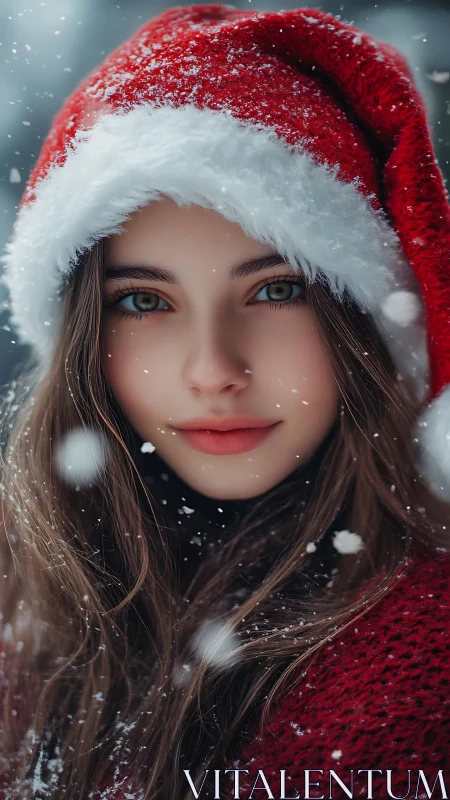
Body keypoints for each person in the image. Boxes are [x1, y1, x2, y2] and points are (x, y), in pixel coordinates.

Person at [0, 3, 449, 799]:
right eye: (143, 301)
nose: (214, 371)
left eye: (276, 290)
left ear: (365, 322)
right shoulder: (24, 610)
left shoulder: (426, 673)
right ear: (79, 339)